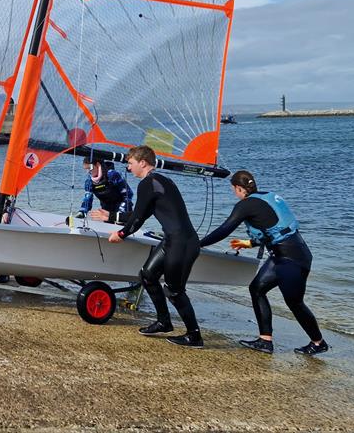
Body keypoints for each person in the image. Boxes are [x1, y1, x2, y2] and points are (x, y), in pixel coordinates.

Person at [200, 171, 328, 356]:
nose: (234, 193)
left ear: (239, 188)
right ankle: (265, 341)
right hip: (283, 256)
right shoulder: (267, 197)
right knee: (257, 288)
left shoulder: (245, 205)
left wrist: (197, 244)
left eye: (233, 190)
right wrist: (249, 243)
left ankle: (318, 342)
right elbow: (275, 230)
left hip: (292, 260)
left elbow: (225, 229)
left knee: (295, 303)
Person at [108, 145, 203, 348]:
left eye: (130, 163)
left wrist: (121, 234)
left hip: (183, 243)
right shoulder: (159, 181)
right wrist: (110, 217)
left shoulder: (148, 183)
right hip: (172, 240)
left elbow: (136, 220)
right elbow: (139, 215)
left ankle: (195, 336)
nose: (128, 168)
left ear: (143, 163)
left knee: (174, 290)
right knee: (147, 276)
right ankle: (164, 322)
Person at [79, 156, 133, 224]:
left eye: (90, 168)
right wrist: (82, 211)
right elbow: (88, 198)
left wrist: (121, 212)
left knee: (120, 225)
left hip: (122, 209)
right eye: (86, 169)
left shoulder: (112, 175)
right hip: (106, 211)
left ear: (98, 165)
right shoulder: (89, 182)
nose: (88, 172)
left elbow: (128, 194)